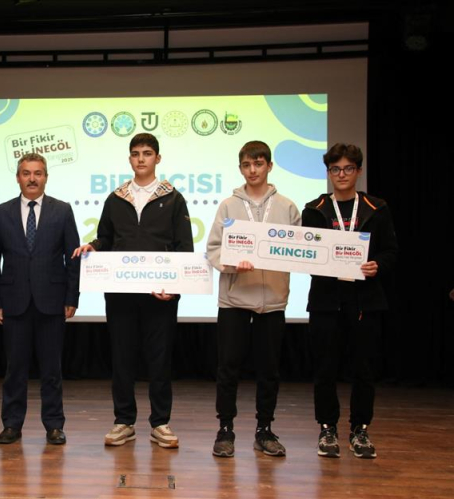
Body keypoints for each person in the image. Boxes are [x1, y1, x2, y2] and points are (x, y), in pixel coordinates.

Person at [73, 133, 193, 449]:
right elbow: (105, 237)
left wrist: (175, 289)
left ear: (157, 158)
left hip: (160, 294)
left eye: (147, 153)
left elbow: (184, 248)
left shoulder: (174, 198)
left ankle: (160, 423)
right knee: (122, 358)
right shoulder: (116, 199)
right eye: (136, 153)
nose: (141, 159)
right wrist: (93, 246)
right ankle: (124, 421)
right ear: (130, 159)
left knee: (160, 359)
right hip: (120, 293)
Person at [302, 143, 397, 459]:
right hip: (326, 300)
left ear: (358, 171)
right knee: (324, 369)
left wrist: (378, 265)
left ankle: (360, 430)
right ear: (328, 173)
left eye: (347, 168)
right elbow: (306, 254)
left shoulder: (376, 208)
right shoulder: (314, 209)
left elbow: (391, 251)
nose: (341, 174)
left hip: (365, 301)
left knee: (364, 369)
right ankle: (327, 428)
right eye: (335, 169)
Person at [206, 140, 300, 458]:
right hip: (234, 300)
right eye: (247, 165)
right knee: (228, 368)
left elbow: (300, 251)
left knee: (269, 370)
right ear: (240, 168)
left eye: (258, 164)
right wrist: (233, 263)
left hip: (272, 300)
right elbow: (213, 249)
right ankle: (225, 429)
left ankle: (265, 430)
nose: (253, 170)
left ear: (269, 166)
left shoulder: (287, 207)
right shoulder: (228, 206)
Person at [0, 152, 80, 445]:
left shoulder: (62, 211)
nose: (32, 179)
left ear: (46, 177)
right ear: (18, 178)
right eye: (26, 173)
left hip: (52, 302)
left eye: (38, 173)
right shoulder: (1, 212)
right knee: (15, 369)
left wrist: (72, 296)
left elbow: (73, 258)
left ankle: (54, 425)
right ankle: (11, 425)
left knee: (51, 370)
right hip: (14, 302)